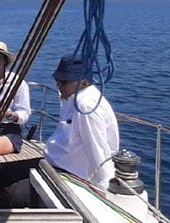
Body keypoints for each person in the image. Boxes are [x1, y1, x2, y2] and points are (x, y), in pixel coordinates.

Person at [44, 55, 120, 189]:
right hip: (55, 166)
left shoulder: (85, 106)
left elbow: (98, 150)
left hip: (69, 174)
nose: (58, 84)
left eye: (63, 81)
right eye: (57, 80)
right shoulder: (72, 98)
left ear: (84, 82)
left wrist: (104, 185)